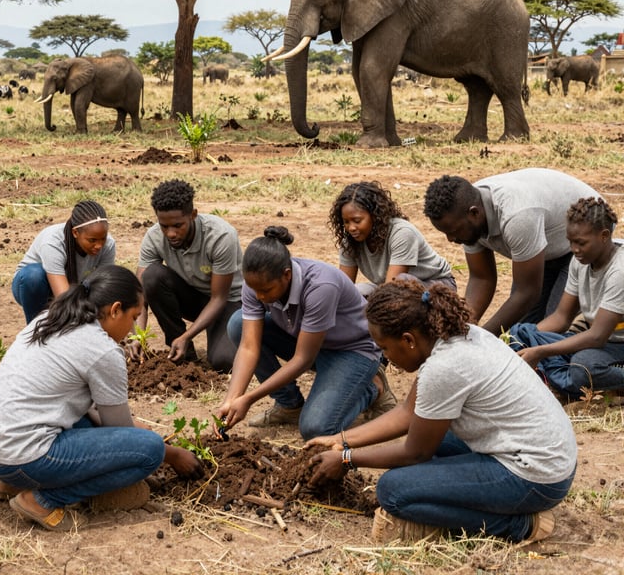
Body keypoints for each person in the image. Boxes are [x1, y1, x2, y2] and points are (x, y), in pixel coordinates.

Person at [307, 280, 577, 544]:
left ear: (408, 340)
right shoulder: (457, 335)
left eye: (385, 348)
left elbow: (415, 453)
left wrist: (346, 459)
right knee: (432, 437)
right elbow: (407, 413)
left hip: (536, 477)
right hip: (549, 456)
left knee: (393, 491)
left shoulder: (444, 367)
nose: (385, 357)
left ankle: (520, 525)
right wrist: (341, 439)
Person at [0, 265, 203, 532]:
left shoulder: (51, 318)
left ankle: (10, 483)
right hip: (17, 455)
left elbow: (88, 409)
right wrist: (171, 455)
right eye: (134, 317)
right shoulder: (102, 350)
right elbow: (119, 429)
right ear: (115, 310)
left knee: (105, 428)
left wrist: (131, 428)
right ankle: (41, 500)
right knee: (149, 449)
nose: (132, 328)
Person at [216, 226, 391, 441]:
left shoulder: (320, 286)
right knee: (238, 324)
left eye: (266, 290)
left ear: (287, 275)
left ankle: (372, 388)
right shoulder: (256, 284)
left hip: (352, 351)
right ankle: (289, 405)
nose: (260, 296)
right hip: (309, 342)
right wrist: (232, 399)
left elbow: (302, 359)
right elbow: (249, 346)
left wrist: (249, 398)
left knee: (315, 429)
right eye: (255, 290)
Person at [423, 168, 599, 334]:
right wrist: (463, 326)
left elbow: (527, 292)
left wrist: (485, 336)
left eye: (453, 232)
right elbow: (482, 278)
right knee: (521, 330)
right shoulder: (465, 214)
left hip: (584, 240)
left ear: (474, 213)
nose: (450, 239)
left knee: (553, 327)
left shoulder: (516, 217)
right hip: (544, 247)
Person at [509, 197, 624, 399]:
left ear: (604, 235)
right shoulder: (580, 261)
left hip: (614, 343)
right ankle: (563, 382)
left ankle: (604, 381)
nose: (574, 249)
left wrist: (540, 352)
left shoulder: (619, 271)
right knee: (520, 332)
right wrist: (526, 339)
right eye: (570, 242)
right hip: (598, 341)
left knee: (584, 366)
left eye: (581, 243)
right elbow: (561, 318)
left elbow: (597, 336)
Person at [133, 179, 242, 372]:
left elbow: (219, 298)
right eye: (164, 226)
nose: (171, 233)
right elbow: (140, 294)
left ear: (193, 215)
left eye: (178, 225)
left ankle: (242, 333)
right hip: (194, 298)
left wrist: (188, 335)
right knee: (152, 277)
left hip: (228, 303)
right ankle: (184, 353)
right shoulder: (154, 237)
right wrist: (138, 336)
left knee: (224, 362)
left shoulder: (220, 236)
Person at [328, 180, 455, 292]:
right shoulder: (350, 241)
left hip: (438, 287)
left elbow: (392, 290)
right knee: (357, 292)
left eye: (357, 221)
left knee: (402, 285)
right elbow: (345, 288)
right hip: (393, 287)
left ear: (374, 216)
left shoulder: (402, 233)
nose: (351, 228)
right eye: (346, 222)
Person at [11, 200, 116, 323]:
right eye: (92, 240)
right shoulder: (53, 241)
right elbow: (64, 297)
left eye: (102, 239)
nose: (98, 245)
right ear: (75, 233)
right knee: (34, 276)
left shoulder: (108, 244)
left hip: (77, 288)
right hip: (36, 289)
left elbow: (104, 289)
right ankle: (36, 330)